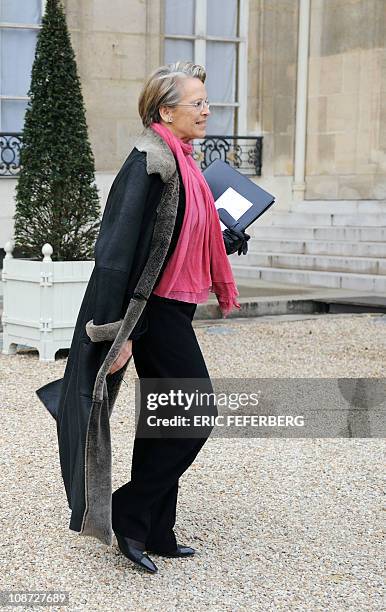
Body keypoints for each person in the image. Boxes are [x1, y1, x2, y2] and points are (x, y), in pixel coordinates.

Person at [36, 61, 249, 575]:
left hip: (175, 304)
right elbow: (116, 253)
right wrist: (118, 335)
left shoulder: (186, 162)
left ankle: (155, 528)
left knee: (168, 416)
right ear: (165, 110)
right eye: (196, 102)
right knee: (195, 414)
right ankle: (132, 512)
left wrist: (223, 238)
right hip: (149, 312)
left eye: (205, 100)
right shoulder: (150, 160)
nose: (206, 109)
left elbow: (176, 233)